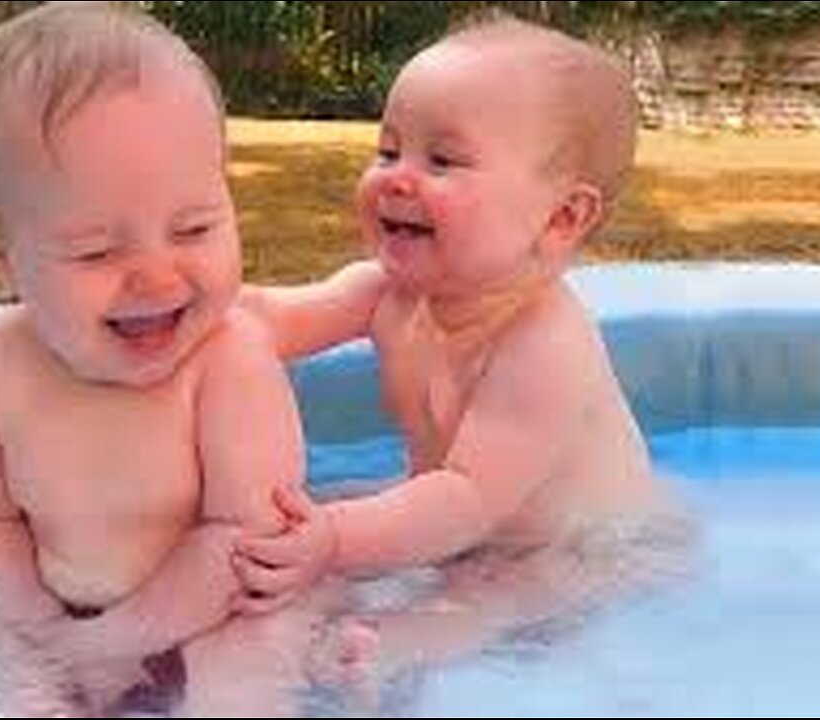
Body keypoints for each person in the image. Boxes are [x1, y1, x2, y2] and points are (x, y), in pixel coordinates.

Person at [0, 2, 383, 716]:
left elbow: (244, 540)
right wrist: (45, 634)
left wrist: (115, 643)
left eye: (194, 228)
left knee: (242, 667)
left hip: (224, 604)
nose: (157, 277)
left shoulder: (230, 361)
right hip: (60, 609)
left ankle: (328, 660)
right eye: (97, 251)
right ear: (1, 257)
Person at [234, 16, 693, 705]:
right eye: (388, 150)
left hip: (584, 547)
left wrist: (330, 541)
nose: (397, 179)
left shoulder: (543, 341)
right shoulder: (386, 293)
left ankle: (396, 646)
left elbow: (468, 497)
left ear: (561, 218)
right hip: (462, 519)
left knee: (492, 598)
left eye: (441, 161)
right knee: (313, 517)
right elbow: (269, 320)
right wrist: (182, 301)